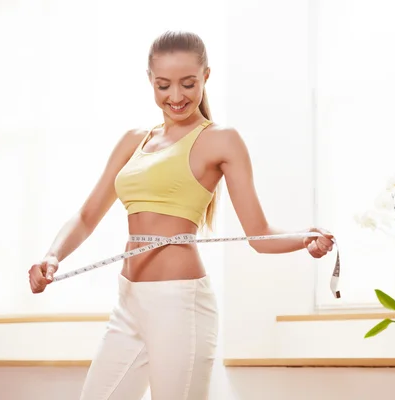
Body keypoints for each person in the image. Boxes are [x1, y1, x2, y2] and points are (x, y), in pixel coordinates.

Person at [27, 30, 335, 400]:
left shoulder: (221, 139)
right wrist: (52, 255)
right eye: (163, 85)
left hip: (179, 303)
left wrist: (304, 239)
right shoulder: (133, 140)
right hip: (129, 301)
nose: (176, 97)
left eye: (188, 84)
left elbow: (259, 234)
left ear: (205, 76)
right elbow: (87, 215)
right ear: (150, 81)